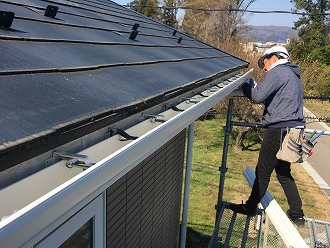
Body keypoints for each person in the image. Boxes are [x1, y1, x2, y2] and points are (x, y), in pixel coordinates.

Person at [230, 46, 306, 226]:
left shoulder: (278, 72)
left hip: (279, 129)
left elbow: (257, 96)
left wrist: (246, 84)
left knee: (263, 171)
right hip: (292, 129)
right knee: (283, 172)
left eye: (263, 62)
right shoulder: (293, 74)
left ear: (273, 58)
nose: (264, 68)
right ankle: (297, 214)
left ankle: (249, 208)